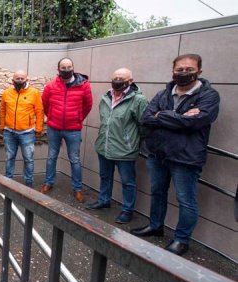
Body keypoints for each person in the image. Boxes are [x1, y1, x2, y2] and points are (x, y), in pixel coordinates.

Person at [131, 54, 220, 256]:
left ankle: (181, 239)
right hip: (158, 154)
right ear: (173, 71)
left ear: (199, 71)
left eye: (189, 69)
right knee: (157, 193)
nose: (183, 73)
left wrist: (161, 116)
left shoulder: (208, 96)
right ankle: (155, 226)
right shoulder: (164, 94)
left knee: (185, 199)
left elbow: (196, 122)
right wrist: (178, 118)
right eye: (179, 69)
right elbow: (146, 118)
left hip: (185, 158)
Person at [87, 68, 149, 224]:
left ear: (130, 81)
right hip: (105, 146)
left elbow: (145, 126)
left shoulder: (139, 100)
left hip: (125, 150)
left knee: (128, 182)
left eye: (121, 78)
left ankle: (127, 210)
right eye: (115, 77)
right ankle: (104, 200)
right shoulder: (106, 97)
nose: (117, 80)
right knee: (105, 176)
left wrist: (132, 142)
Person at [40, 58, 93, 203]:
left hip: (73, 130)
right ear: (58, 70)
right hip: (54, 128)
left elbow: (88, 105)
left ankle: (77, 188)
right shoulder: (51, 85)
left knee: (74, 159)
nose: (66, 69)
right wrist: (51, 117)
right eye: (63, 67)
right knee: (51, 156)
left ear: (73, 68)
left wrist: (77, 118)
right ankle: (48, 182)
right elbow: (45, 103)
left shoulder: (84, 85)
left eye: (69, 67)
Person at [0, 69, 43, 187]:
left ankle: (29, 184)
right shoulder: (7, 93)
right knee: (9, 158)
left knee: (28, 159)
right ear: (12, 80)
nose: (19, 80)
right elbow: (2, 110)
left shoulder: (34, 93)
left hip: (27, 133)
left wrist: (38, 128)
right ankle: (8, 183)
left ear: (27, 80)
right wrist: (2, 126)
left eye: (22, 78)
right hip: (9, 132)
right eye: (17, 78)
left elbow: (39, 111)